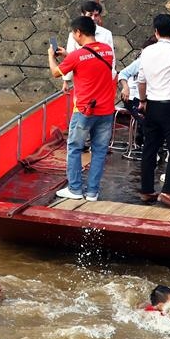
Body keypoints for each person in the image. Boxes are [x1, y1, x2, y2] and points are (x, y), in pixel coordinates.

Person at [47, 15, 115, 202]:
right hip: (106, 109)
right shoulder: (107, 50)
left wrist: (51, 57)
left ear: (78, 33)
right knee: (99, 151)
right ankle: (92, 192)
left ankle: (75, 189)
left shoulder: (77, 55)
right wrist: (69, 56)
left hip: (84, 110)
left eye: (73, 33)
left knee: (75, 148)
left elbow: (55, 72)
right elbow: (91, 61)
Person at [129, 13, 170, 206]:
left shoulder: (147, 52)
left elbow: (141, 79)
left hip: (152, 104)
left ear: (156, 32)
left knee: (150, 148)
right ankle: (168, 192)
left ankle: (147, 190)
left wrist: (143, 101)